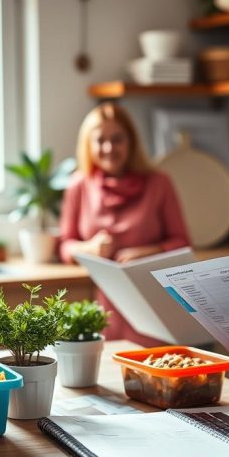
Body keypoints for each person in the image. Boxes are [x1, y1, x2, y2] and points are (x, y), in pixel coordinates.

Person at [58, 102, 192, 347]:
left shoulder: (159, 183)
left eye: (117, 138)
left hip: (150, 303)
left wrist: (146, 252)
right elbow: (65, 246)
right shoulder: (79, 185)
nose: (109, 147)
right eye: (100, 140)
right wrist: (90, 248)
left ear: (131, 141)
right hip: (102, 304)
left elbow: (182, 242)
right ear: (89, 145)